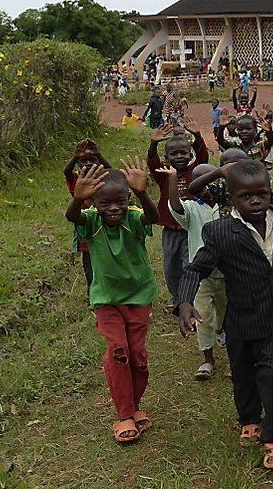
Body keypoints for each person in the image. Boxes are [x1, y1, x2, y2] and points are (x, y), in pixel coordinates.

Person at [175, 160, 273, 470]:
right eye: (246, 196)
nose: (256, 201)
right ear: (231, 197)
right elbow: (197, 267)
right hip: (240, 321)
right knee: (243, 375)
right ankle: (249, 418)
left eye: (262, 193)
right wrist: (185, 301)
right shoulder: (219, 231)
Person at [65, 159, 159, 444]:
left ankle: (134, 406)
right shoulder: (91, 220)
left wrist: (144, 193)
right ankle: (123, 415)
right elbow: (73, 218)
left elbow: (153, 218)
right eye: (105, 203)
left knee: (138, 357)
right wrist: (77, 199)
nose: (114, 208)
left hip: (138, 297)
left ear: (128, 199)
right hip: (106, 300)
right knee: (119, 351)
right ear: (94, 202)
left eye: (120, 201)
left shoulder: (133, 217)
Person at [156, 162, 226, 380]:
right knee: (203, 316)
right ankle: (208, 360)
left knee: (228, 315)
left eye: (212, 182)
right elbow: (175, 206)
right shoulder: (191, 209)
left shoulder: (227, 208)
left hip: (227, 274)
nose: (207, 188)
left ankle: (226, 337)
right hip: (201, 276)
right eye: (201, 183)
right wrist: (173, 179)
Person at [147, 120, 209, 299]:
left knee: (189, 264)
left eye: (184, 153)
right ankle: (177, 298)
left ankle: (190, 298)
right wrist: (153, 144)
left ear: (190, 155)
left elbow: (203, 156)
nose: (179, 156)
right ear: (166, 157)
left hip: (191, 229)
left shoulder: (195, 172)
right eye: (174, 154)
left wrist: (197, 136)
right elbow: (152, 163)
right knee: (171, 267)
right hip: (170, 230)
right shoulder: (164, 174)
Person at [63, 139, 112, 293]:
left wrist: (99, 155)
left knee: (106, 258)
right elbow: (66, 172)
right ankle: (93, 292)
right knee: (89, 261)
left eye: (93, 160)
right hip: (86, 227)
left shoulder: (104, 177)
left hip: (105, 226)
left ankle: (108, 288)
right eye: (84, 161)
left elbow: (113, 171)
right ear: (78, 164)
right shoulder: (77, 179)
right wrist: (75, 157)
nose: (89, 163)